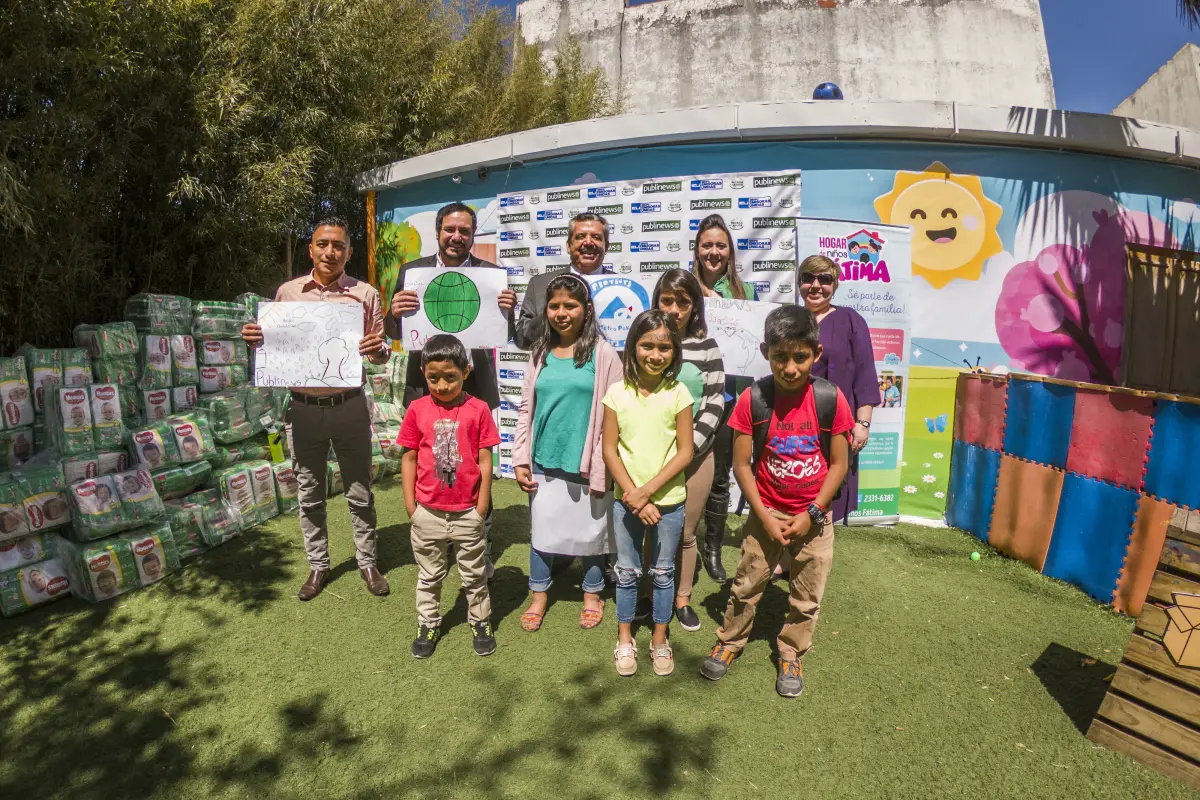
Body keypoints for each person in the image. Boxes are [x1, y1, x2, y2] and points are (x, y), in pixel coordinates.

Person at [700, 306, 854, 697]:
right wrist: (764, 518)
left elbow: (839, 465)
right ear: (767, 351)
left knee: (807, 592)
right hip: (764, 512)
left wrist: (812, 513)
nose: (790, 367)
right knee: (747, 583)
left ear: (816, 354)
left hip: (815, 519)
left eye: (800, 357)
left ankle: (791, 650)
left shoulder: (830, 399)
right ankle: (730, 640)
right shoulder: (753, 398)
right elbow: (741, 467)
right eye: (780, 356)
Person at [242, 215, 392, 601]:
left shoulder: (366, 295)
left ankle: (368, 561)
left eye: (338, 245)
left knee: (360, 490)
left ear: (348, 252)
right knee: (309, 492)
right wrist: (255, 341)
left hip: (349, 405)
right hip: (303, 409)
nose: (330, 251)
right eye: (322, 244)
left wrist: (378, 350)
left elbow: (381, 351)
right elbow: (273, 348)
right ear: (311, 249)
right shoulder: (288, 293)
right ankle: (318, 565)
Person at [388, 201, 515, 578]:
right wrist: (393, 313)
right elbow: (395, 332)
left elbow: (512, 334)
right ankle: (434, 545)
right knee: (432, 462)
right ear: (439, 231)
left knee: (474, 465)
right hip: (426, 389)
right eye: (450, 229)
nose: (457, 236)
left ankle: (479, 545)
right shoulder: (412, 272)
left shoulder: (493, 276)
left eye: (464, 231)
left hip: (476, 389)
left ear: (473, 236)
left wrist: (511, 310)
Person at [513, 274, 622, 631]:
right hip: (544, 460)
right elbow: (526, 408)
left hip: (587, 463)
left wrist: (604, 469)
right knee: (543, 531)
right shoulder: (540, 353)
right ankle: (539, 593)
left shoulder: (603, 354)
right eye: (555, 305)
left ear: (586, 310)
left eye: (570, 306)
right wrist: (520, 458)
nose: (562, 313)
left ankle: (593, 593)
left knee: (592, 533)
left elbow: (614, 414)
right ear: (546, 310)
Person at [602, 310, 694, 677]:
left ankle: (659, 640)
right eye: (647, 346)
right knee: (626, 571)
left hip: (668, 502)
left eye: (664, 348)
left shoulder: (679, 392)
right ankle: (625, 638)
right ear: (633, 347)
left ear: (674, 352)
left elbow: (686, 451)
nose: (655, 355)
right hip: (626, 502)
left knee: (662, 572)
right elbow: (610, 449)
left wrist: (648, 493)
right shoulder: (616, 392)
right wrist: (632, 494)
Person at [398, 334, 500, 659]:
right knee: (429, 575)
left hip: (468, 512)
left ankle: (480, 620)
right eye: (433, 378)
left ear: (466, 371)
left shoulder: (479, 409)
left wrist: (481, 505)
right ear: (423, 373)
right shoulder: (416, 409)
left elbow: (486, 458)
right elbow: (409, 457)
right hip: (427, 512)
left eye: (450, 377)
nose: (442, 385)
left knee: (474, 573)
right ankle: (428, 622)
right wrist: (411, 507)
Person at [637, 269, 724, 631]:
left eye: (683, 302)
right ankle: (645, 593)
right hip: (649, 458)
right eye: (667, 300)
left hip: (697, 458)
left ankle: (682, 597)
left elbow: (715, 403)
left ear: (695, 307)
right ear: (657, 301)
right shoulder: (645, 343)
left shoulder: (708, 348)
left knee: (687, 532)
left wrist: (687, 451)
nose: (674, 309)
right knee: (650, 530)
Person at [689, 214, 758, 581]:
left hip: (731, 398)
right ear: (696, 251)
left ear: (729, 251)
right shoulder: (684, 288)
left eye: (720, 245)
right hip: (689, 393)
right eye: (707, 245)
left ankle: (711, 548)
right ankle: (680, 539)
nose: (713, 252)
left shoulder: (748, 295)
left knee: (719, 476)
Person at [799, 254, 881, 523]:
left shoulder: (850, 320)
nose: (815, 285)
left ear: (834, 285)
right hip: (794, 423)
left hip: (836, 425)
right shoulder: (790, 319)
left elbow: (865, 374)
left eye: (824, 279)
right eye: (808, 278)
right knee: (794, 485)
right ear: (799, 283)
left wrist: (863, 423)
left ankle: (812, 556)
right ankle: (785, 557)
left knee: (828, 494)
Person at [514, 212, 610, 349]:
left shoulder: (623, 288)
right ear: (568, 246)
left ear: (607, 246)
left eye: (596, 237)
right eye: (580, 237)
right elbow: (522, 339)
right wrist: (551, 316)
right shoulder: (540, 284)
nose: (588, 242)